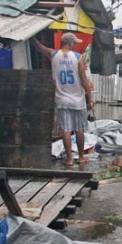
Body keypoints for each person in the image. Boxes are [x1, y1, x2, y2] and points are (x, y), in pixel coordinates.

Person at [32, 32, 94, 166]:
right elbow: (84, 81)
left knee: (65, 129)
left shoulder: (53, 55)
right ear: (69, 43)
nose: (74, 45)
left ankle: (70, 159)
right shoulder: (78, 58)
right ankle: (81, 157)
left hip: (62, 100)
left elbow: (39, 47)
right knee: (79, 129)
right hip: (78, 100)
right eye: (74, 43)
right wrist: (90, 98)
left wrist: (32, 38)